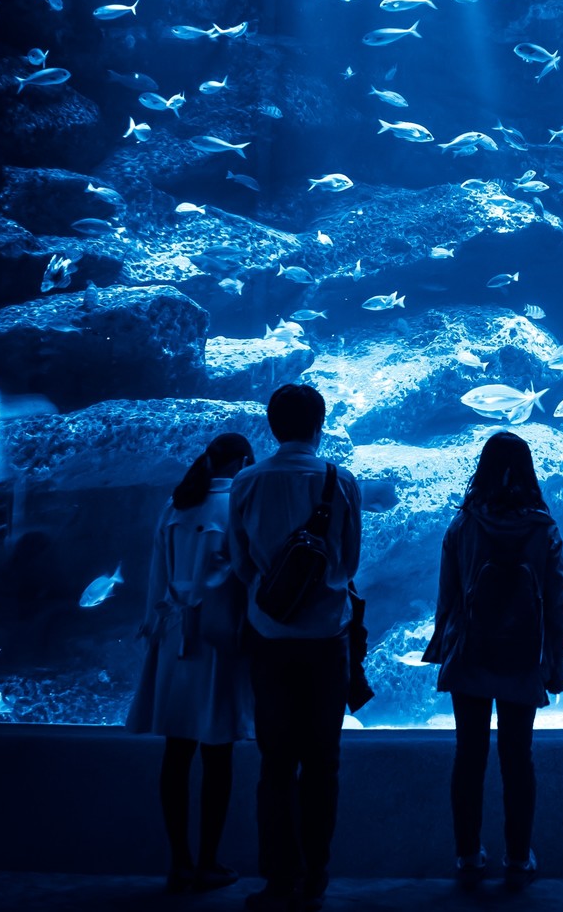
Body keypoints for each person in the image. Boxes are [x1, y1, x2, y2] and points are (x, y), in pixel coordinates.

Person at [229, 385, 362, 912]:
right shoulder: (340, 480)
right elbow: (349, 564)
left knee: (275, 764)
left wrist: (272, 598)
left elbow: (240, 563)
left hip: (269, 640)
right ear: (319, 424)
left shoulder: (246, 481)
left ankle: (278, 878)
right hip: (328, 641)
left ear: (272, 425)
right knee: (323, 763)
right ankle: (317, 875)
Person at [421, 432, 563, 891]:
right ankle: (519, 857)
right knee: (516, 757)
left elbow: (446, 596)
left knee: (468, 755)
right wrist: (556, 662)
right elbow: (556, 601)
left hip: (470, 655)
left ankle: (468, 855)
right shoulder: (544, 530)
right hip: (523, 658)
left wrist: (442, 648)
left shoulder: (463, 525)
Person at [126, 433, 257, 894]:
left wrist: (152, 627)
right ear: (243, 461)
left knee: (177, 752)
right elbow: (246, 574)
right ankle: (208, 860)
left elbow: (156, 573)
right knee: (217, 753)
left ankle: (179, 860)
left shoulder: (176, 505)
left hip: (173, 637)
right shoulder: (238, 504)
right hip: (219, 641)